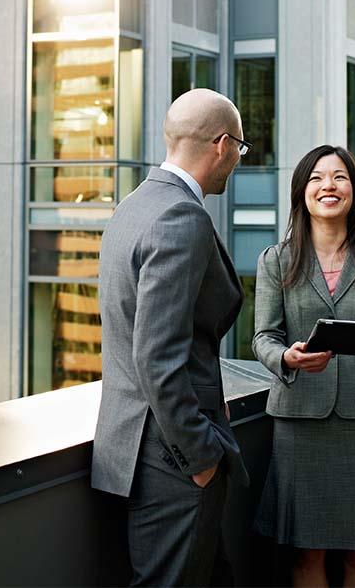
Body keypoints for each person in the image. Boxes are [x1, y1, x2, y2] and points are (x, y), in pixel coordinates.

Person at [91, 89, 250, 586]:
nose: (238, 162)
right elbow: (156, 357)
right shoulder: (183, 216)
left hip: (133, 449)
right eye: (241, 150)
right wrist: (200, 456)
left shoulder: (135, 204)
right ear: (222, 145)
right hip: (171, 456)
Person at [251, 145, 355, 587]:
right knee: (307, 554)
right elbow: (263, 337)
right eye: (317, 178)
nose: (328, 186)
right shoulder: (275, 260)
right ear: (302, 191)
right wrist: (286, 357)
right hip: (299, 421)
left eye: (339, 177)